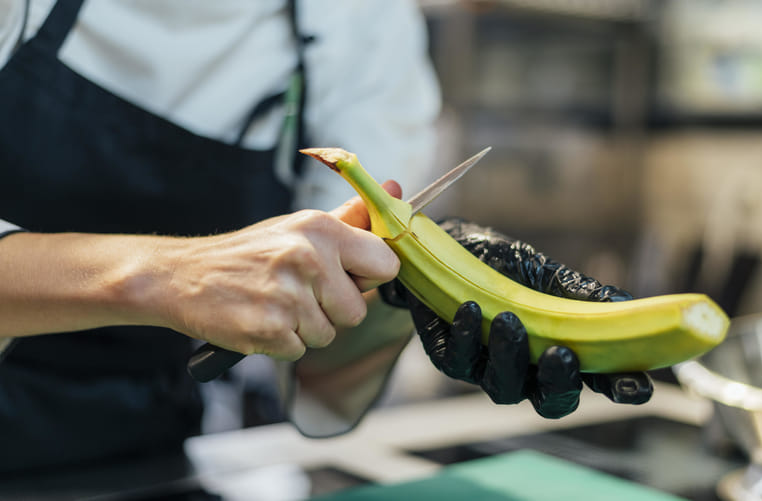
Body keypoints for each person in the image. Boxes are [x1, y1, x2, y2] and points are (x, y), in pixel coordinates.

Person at [0, 0, 652, 475]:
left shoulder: (359, 23)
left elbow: (317, 371)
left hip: (141, 454)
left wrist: (405, 298)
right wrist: (161, 275)